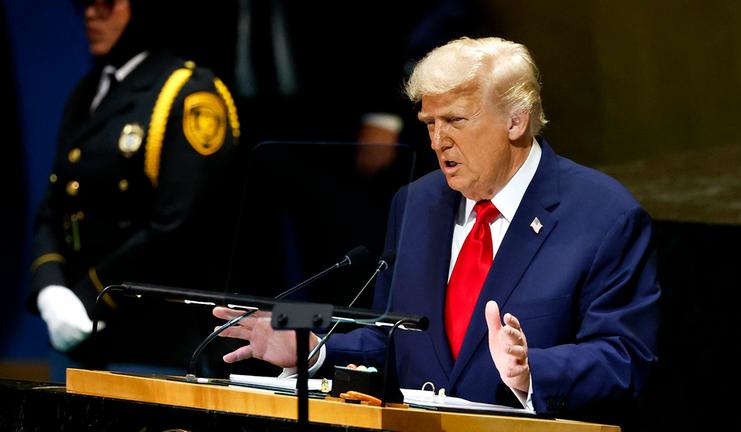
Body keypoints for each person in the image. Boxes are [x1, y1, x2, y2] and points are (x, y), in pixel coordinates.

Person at [212, 37, 659, 422]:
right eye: (430, 123)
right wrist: (316, 351)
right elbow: (391, 337)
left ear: (516, 120)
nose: (438, 141)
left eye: (457, 121)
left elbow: (625, 359)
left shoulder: (603, 215)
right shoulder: (417, 203)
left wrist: (531, 370)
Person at [28, 0, 240, 381]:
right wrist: (50, 290)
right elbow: (55, 206)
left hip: (153, 339)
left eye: (106, 4)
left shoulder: (188, 93)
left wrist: (86, 295)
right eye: (84, 5)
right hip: (75, 331)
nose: (91, 15)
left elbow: (177, 226)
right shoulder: (90, 90)